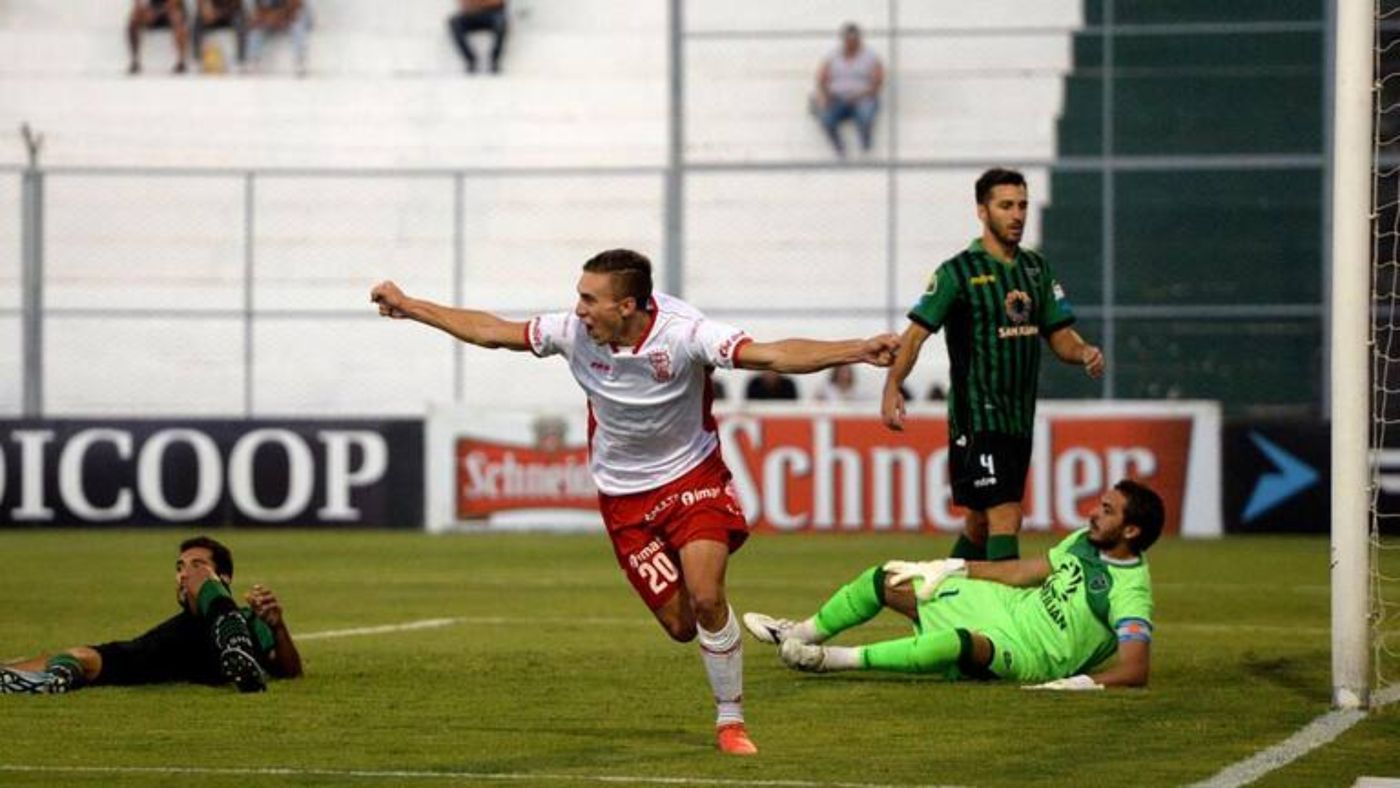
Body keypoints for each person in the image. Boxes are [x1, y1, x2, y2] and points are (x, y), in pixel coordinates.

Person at [371, 249, 898, 754]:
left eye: (588, 298)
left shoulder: (685, 333)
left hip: (693, 478)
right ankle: (731, 637)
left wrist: (855, 348)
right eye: (578, 297)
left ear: (626, 305)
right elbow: (493, 332)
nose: (577, 309)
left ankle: (730, 721)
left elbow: (772, 355)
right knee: (681, 625)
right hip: (624, 498)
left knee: (708, 596)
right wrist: (412, 305)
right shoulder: (573, 332)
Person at [743, 479, 1163, 690]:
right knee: (886, 579)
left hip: (1032, 654)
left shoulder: (1130, 592)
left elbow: (1136, 669)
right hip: (1006, 608)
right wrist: (953, 566)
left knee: (956, 642)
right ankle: (796, 633)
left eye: (1107, 511)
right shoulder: (1083, 542)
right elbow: (1021, 572)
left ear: (1130, 532)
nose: (1093, 513)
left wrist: (1079, 683)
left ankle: (826, 660)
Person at [882, 168, 1104, 562]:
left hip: (1018, 419)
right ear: (982, 211)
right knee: (1006, 515)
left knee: (979, 525)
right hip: (978, 418)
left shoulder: (1037, 270)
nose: (1016, 214)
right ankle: (1009, 615)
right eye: (1006, 206)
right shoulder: (957, 273)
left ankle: (936, 598)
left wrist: (1083, 350)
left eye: (1021, 205)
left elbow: (1059, 335)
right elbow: (915, 336)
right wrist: (892, 386)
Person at [0, 536, 302, 694]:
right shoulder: (170, 634)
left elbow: (289, 671)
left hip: (225, 630)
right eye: (180, 568)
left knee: (219, 606)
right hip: (173, 653)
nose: (184, 575)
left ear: (224, 577)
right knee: (84, 656)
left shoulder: (250, 619)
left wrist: (278, 628)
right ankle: (56, 678)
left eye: (196, 565)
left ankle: (232, 641)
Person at [813, 23, 884, 157]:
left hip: (863, 97)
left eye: (854, 39)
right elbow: (821, 78)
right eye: (848, 39)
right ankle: (839, 148)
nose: (851, 42)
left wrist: (861, 95)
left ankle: (865, 145)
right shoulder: (832, 56)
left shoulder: (871, 57)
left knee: (866, 117)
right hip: (837, 98)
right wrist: (825, 96)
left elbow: (878, 82)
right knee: (826, 119)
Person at [247, 0, 312, 76]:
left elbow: (295, 8)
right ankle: (254, 61)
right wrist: (266, 19)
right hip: (269, 19)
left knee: (298, 28)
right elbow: (258, 12)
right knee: (255, 31)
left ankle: (300, 61)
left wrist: (280, 17)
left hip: (289, 18)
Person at [127, 0, 189, 74]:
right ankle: (135, 61)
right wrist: (141, 9)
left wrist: (157, 12)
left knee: (176, 16)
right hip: (155, 9)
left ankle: (181, 62)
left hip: (173, 8)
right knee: (134, 18)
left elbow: (174, 2)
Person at [448, 0, 508, 74]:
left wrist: (476, 4)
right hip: (472, 15)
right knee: (454, 22)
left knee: (501, 22)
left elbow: (498, 3)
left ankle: (494, 60)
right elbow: (464, 4)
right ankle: (470, 60)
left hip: (493, 14)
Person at [192, 0, 247, 73]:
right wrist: (206, 11)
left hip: (229, 14)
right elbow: (202, 5)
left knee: (239, 19)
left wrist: (219, 13)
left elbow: (236, 4)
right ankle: (197, 59)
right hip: (211, 14)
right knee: (197, 21)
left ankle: (240, 60)